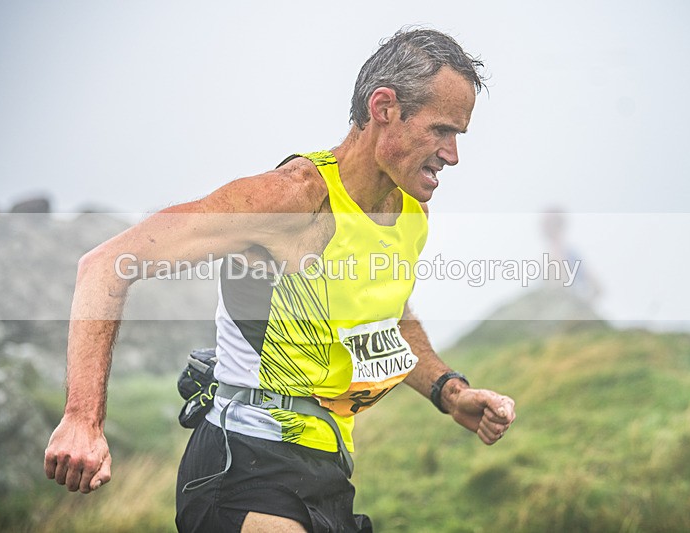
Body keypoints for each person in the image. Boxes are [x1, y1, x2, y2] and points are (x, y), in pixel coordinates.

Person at [44, 27, 517, 532]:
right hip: (245, 459)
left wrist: (450, 392)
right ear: (384, 108)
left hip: (328, 470)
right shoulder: (293, 198)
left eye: (458, 136)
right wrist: (82, 420)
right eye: (442, 131)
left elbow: (387, 319)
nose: (452, 155)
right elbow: (106, 265)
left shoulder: (409, 212)